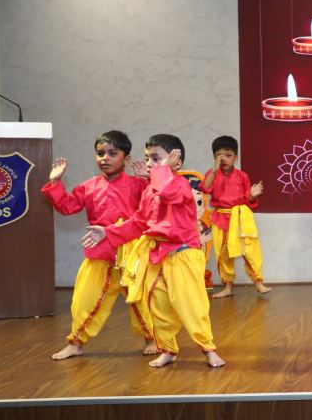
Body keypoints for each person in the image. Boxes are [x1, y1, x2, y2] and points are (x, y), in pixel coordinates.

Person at [82, 135, 225, 368]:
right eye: (148, 158)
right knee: (157, 306)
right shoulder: (150, 191)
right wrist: (107, 232)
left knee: (190, 304)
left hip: (183, 255)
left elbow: (168, 193)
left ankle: (208, 349)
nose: (149, 163)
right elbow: (139, 223)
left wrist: (162, 171)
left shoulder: (180, 185)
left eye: (156, 158)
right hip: (157, 255)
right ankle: (168, 349)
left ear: (176, 162)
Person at [44, 130, 154, 360]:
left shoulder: (139, 184)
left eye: (112, 153)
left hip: (132, 250)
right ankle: (75, 342)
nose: (105, 158)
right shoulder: (88, 186)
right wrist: (55, 182)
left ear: (126, 159)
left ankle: (152, 339)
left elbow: (155, 205)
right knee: (85, 297)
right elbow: (67, 207)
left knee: (141, 298)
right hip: (100, 250)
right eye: (100, 153)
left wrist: (151, 179)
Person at [199, 135, 270, 298]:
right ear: (214, 158)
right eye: (219, 155)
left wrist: (252, 195)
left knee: (249, 249)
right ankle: (227, 286)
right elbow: (204, 188)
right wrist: (214, 170)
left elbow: (248, 200)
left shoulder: (242, 176)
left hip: (239, 218)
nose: (224, 159)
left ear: (235, 157)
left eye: (228, 155)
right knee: (223, 253)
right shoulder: (212, 174)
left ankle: (258, 282)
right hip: (221, 218)